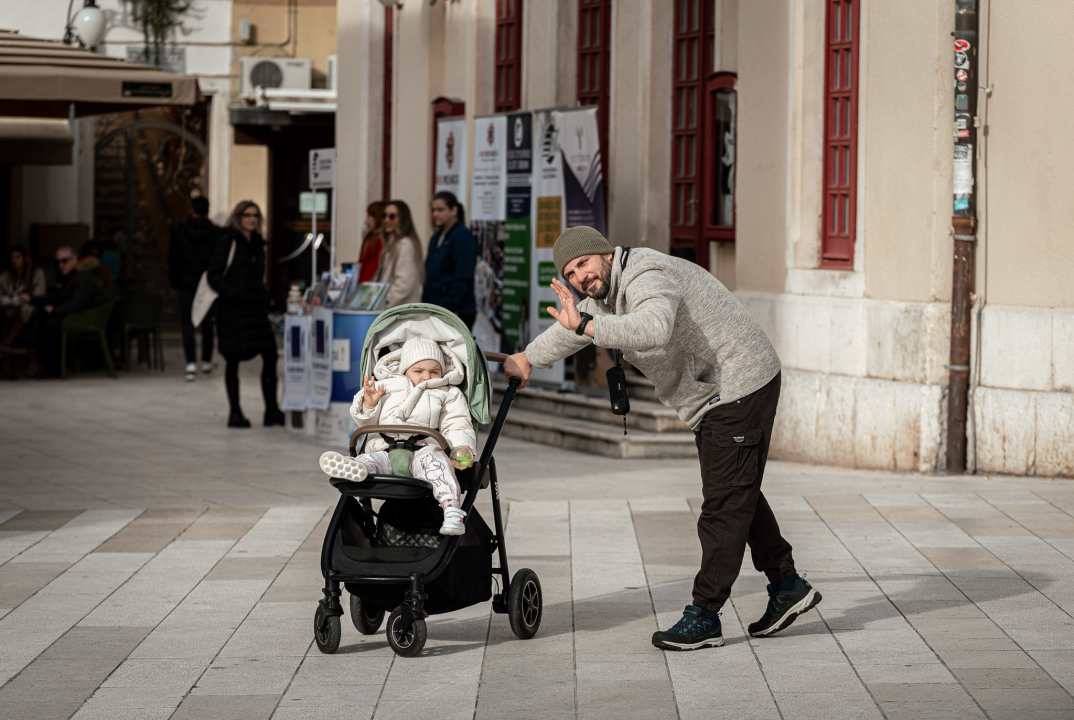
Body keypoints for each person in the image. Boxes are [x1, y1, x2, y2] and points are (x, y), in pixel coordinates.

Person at [502, 226, 822, 651]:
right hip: (717, 394)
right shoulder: (603, 295)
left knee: (723, 506)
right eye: (570, 272)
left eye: (582, 264)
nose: (579, 277)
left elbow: (653, 327)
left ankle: (705, 616)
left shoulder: (644, 272)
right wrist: (526, 358)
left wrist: (586, 323)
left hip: (739, 383)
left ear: (605, 254)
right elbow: (572, 329)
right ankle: (787, 586)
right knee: (737, 492)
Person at [317, 337, 475, 536]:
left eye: (434, 371)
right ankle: (354, 467)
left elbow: (457, 422)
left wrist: (460, 448)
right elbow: (365, 422)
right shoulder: (386, 386)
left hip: (422, 451)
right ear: (404, 369)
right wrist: (369, 405)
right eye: (418, 371)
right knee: (369, 459)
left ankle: (452, 510)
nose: (427, 377)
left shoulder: (447, 392)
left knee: (439, 467)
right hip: (385, 449)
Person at [206, 201, 285, 428]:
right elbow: (213, 274)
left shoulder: (257, 243)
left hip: (256, 311)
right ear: (238, 217)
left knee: (270, 356)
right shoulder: (227, 240)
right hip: (233, 312)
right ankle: (235, 412)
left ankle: (271, 410)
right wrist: (233, 294)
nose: (252, 219)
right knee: (233, 360)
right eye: (247, 215)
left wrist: (263, 298)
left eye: (255, 215)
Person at [23, 246, 103, 375]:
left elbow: (75, 305)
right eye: (58, 262)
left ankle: (32, 350)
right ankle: (31, 349)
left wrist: (54, 310)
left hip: (83, 319)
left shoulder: (82, 278)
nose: (60, 265)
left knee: (48, 322)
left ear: (74, 260)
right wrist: (32, 299)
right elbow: (58, 298)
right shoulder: (72, 277)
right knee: (41, 313)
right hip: (75, 316)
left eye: (64, 261)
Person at [169, 196, 218, 381]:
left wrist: (175, 282)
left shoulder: (181, 231)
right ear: (208, 210)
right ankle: (206, 360)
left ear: (192, 210)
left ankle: (191, 363)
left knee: (187, 323)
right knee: (207, 323)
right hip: (208, 284)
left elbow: (173, 259)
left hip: (186, 282)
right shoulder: (216, 233)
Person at [422, 191, 477, 329]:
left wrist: (453, 309)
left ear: (454, 210)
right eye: (433, 210)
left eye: (440, 210)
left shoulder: (462, 236)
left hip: (456, 311)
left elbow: (463, 275)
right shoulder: (436, 237)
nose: (435, 214)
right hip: (435, 308)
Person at [372, 200, 423, 308]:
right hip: (393, 313)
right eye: (384, 215)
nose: (386, 220)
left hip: (401, 313)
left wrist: (384, 304)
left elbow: (403, 284)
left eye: (392, 216)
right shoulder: (392, 243)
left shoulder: (405, 245)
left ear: (402, 219)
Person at [0, 245, 46, 348]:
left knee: (23, 312)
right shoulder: (5, 276)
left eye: (17, 257)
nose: (14, 261)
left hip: (28, 312)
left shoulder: (36, 274)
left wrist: (19, 300)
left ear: (25, 259)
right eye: (12, 258)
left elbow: (39, 296)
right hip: (8, 311)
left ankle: (5, 345)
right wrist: (13, 301)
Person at [357, 201, 385, 283]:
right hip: (364, 287)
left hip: (370, 288)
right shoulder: (369, 238)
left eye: (369, 217)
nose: (366, 222)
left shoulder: (380, 240)